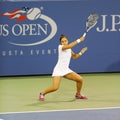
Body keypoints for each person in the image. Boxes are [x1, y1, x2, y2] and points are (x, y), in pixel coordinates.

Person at [39, 34, 88, 101]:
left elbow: (75, 57)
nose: (64, 42)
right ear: (61, 43)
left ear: (67, 41)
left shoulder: (69, 50)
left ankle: (78, 94)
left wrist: (81, 52)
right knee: (55, 87)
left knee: (80, 79)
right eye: (62, 41)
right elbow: (70, 45)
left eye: (65, 41)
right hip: (58, 70)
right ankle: (42, 93)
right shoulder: (60, 47)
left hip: (66, 70)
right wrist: (79, 40)